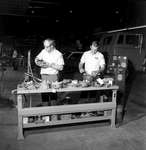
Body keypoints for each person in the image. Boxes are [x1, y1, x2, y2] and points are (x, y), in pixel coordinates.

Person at [35, 38, 65, 106]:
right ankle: (46, 114)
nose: (45, 48)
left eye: (47, 47)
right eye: (44, 46)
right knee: (44, 96)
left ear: (52, 46)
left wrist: (50, 65)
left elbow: (61, 67)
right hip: (44, 77)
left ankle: (53, 113)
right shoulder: (43, 51)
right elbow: (37, 58)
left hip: (53, 77)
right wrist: (38, 62)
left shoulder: (58, 54)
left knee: (53, 96)